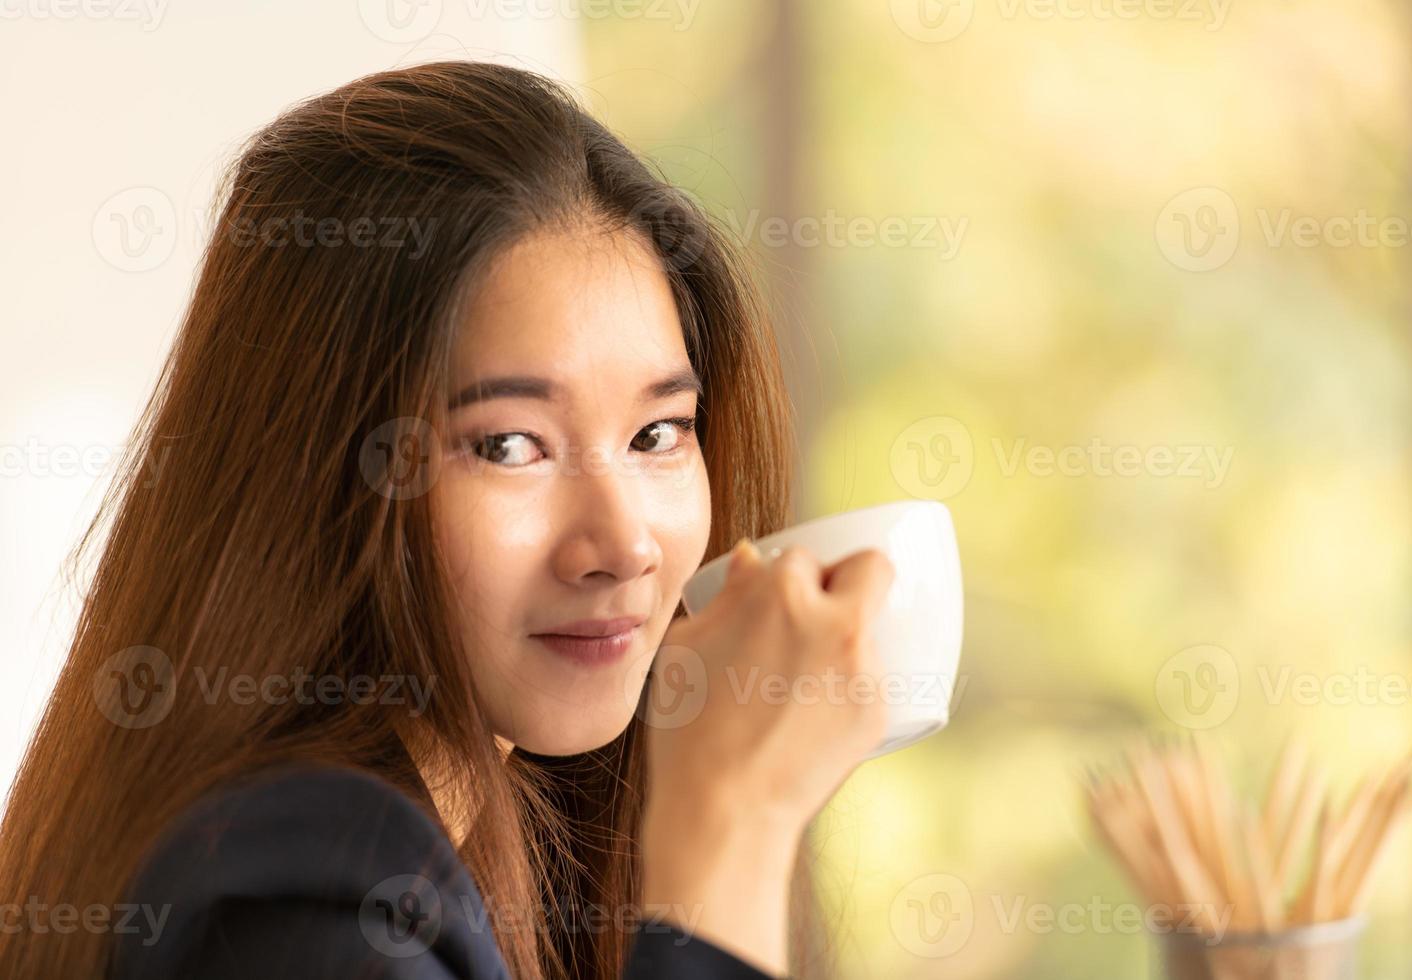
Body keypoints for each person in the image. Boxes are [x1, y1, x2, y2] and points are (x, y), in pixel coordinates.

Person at [0, 60, 894, 980]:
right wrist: (732, 821)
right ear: (318, 471)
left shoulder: (474, 863)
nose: (624, 546)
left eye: (657, 433)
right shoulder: (307, 919)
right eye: (509, 445)